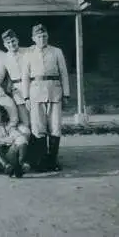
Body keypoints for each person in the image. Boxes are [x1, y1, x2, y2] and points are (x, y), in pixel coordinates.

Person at [22, 23, 70, 172]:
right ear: (33, 38)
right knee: (38, 127)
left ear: (47, 36)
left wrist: (66, 93)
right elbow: (25, 77)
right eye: (38, 36)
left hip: (54, 92)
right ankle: (41, 161)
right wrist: (26, 97)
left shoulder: (56, 52)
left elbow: (64, 73)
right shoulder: (28, 54)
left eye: (44, 36)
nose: (42, 38)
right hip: (36, 92)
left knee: (55, 126)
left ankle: (52, 161)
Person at [0, 29, 31, 128]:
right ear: (5, 45)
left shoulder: (27, 51)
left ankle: (40, 143)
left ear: (17, 40)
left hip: (32, 87)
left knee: (37, 119)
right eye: (8, 42)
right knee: (25, 121)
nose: (11, 44)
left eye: (13, 41)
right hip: (17, 90)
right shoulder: (4, 58)